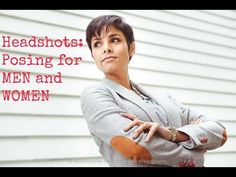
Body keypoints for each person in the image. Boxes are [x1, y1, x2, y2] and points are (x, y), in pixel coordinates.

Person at [80, 15, 227, 167]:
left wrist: (173, 134)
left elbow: (219, 132)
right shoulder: (95, 95)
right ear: (93, 55)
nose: (106, 48)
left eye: (114, 40)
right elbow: (137, 148)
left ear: (131, 48)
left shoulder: (162, 97)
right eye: (97, 44)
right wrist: (196, 153)